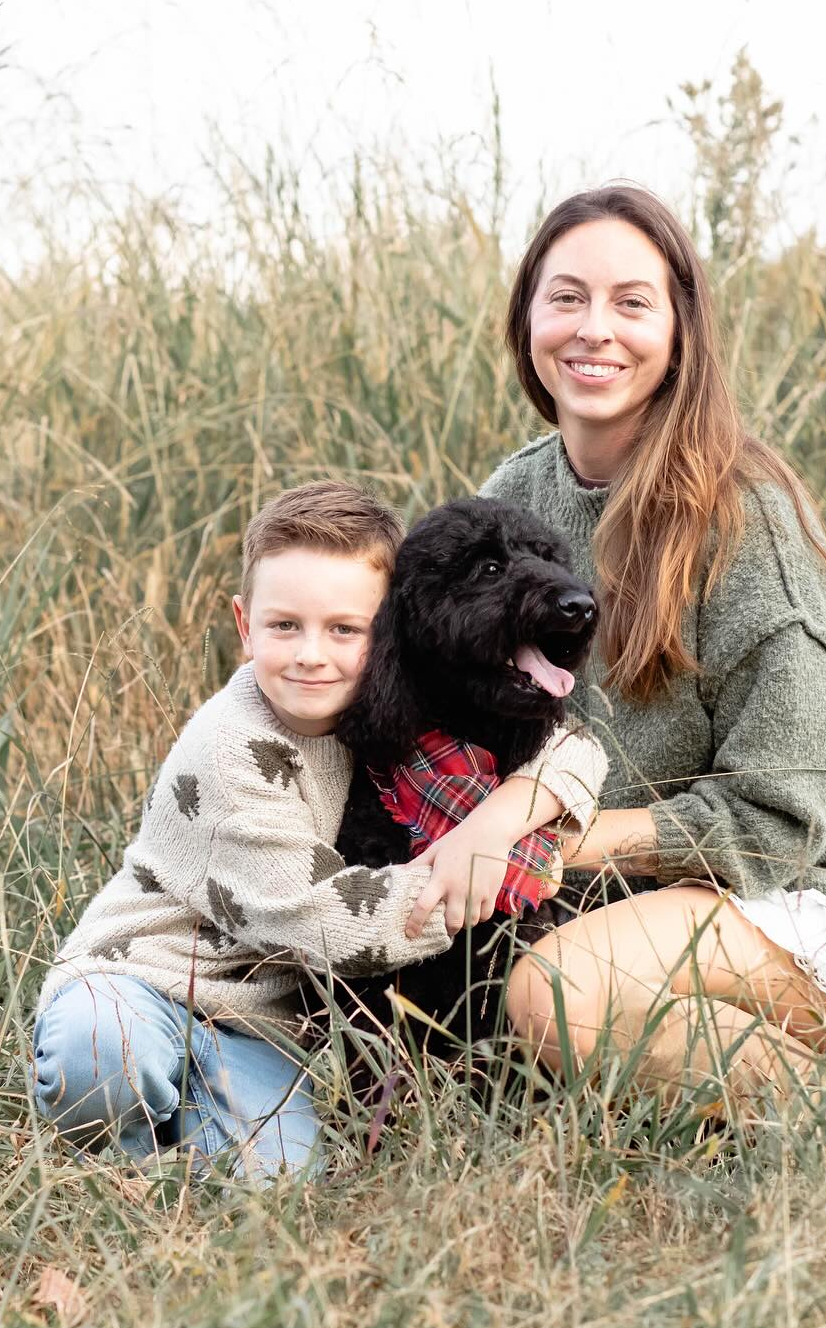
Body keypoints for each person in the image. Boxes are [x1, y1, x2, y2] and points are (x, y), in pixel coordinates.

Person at [449, 185, 826, 1123]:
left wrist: (547, 836)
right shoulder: (514, 494)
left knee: (553, 994)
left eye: (631, 302)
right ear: (527, 314)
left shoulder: (743, 518)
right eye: (565, 297)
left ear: (681, 327)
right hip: (613, 887)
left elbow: (782, 813)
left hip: (805, 891)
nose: (593, 329)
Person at [31, 482, 605, 1180]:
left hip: (260, 1023)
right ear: (245, 627)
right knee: (100, 1053)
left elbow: (575, 747)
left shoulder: (383, 715)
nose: (312, 655)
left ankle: (190, 1130)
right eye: (284, 627)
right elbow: (320, 924)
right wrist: (459, 883)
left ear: (391, 629)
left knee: (282, 1180)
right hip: (143, 977)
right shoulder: (232, 747)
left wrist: (495, 822)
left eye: (344, 629)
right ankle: (123, 1160)